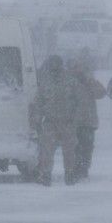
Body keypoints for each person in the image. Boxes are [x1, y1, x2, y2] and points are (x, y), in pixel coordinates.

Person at [34, 55, 81, 185]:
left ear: (61, 65)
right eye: (52, 64)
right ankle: (45, 175)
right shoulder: (45, 82)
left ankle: (70, 174)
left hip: (67, 122)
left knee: (69, 151)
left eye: (57, 64)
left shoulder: (71, 81)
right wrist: (37, 119)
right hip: (50, 122)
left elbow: (79, 102)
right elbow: (38, 101)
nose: (55, 67)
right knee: (46, 151)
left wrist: (75, 119)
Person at [69, 58, 106, 179]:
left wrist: (89, 82)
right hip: (73, 122)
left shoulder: (90, 82)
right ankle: (75, 169)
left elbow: (101, 93)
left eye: (81, 69)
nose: (79, 71)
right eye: (76, 68)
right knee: (74, 147)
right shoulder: (69, 83)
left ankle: (84, 169)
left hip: (88, 122)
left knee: (87, 148)